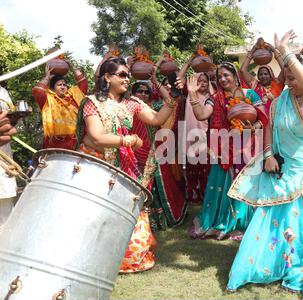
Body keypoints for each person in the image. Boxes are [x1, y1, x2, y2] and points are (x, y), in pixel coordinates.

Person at [226, 30, 303, 300]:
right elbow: (269, 129)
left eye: (294, 69)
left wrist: (285, 52)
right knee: (274, 219)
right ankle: (275, 265)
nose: (288, 72)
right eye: (286, 69)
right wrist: (267, 155)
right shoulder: (279, 102)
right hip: (283, 171)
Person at [75, 57, 176, 273]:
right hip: (97, 165)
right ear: (107, 77)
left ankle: (124, 258)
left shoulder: (131, 103)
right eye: (122, 74)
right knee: (94, 214)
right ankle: (90, 257)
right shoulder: (92, 102)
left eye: (128, 74)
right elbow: (97, 136)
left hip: (124, 166)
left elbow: (157, 119)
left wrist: (174, 96)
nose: (127, 78)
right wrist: (127, 140)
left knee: (130, 211)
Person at [188, 62, 268, 240]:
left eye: (226, 75)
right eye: (220, 77)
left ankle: (242, 221)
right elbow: (202, 115)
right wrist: (193, 95)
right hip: (223, 148)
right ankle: (225, 221)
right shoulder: (215, 98)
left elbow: (264, 117)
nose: (223, 79)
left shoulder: (250, 94)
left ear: (235, 76)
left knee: (246, 183)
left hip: (248, 146)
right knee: (223, 183)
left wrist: (253, 128)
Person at [130, 62, 186, 230]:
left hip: (154, 150)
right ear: (132, 93)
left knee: (156, 184)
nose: (143, 94)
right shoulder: (126, 106)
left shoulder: (155, 107)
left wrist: (155, 80)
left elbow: (171, 102)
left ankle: (156, 220)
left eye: (146, 91)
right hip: (133, 151)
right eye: (139, 91)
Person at [177, 56, 213, 203]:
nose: (202, 83)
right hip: (189, 136)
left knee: (205, 169)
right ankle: (191, 195)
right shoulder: (189, 93)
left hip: (206, 136)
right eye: (199, 81)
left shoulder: (212, 97)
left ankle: (205, 197)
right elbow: (179, 78)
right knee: (191, 169)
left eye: (205, 81)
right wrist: (189, 62)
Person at [32, 61, 88, 150]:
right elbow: (38, 91)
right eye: (59, 85)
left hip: (75, 143)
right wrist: (47, 78)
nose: (62, 87)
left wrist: (73, 67)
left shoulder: (74, 97)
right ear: (52, 88)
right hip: (54, 144)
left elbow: (83, 83)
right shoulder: (47, 99)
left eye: (64, 85)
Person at [240, 40, 285, 119]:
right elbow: (243, 70)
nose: (263, 76)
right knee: (253, 132)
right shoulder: (255, 85)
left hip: (277, 122)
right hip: (258, 124)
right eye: (260, 74)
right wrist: (253, 50)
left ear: (271, 75)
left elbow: (285, 69)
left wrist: (274, 51)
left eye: (266, 74)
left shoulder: (277, 83)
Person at [0, 84, 18, 229]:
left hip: (3, 157)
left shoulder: (3, 92)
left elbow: (8, 121)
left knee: (6, 222)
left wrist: (15, 118)